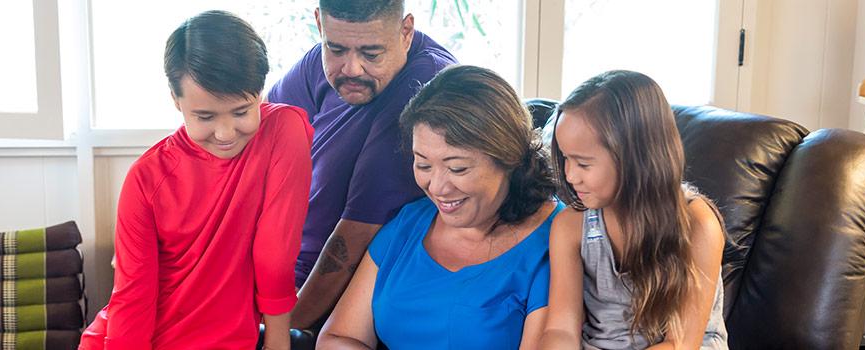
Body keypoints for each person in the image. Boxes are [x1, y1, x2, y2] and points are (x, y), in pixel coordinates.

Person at [79, 11, 312, 349]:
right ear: (176, 100)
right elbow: (132, 299)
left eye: (241, 111)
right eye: (204, 116)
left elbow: (275, 257)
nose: (226, 133)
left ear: (260, 91)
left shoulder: (282, 131)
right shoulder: (146, 180)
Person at [317, 65, 560, 349]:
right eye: (423, 164)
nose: (437, 187)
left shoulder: (555, 240)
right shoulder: (410, 223)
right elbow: (338, 338)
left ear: (510, 159)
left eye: (457, 168)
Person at [265, 0, 457, 332]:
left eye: (371, 54)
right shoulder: (322, 60)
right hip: (276, 268)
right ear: (320, 26)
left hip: (338, 298)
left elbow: (355, 236)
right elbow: (263, 142)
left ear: (405, 32)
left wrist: (281, 332)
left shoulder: (424, 87)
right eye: (336, 49)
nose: (351, 68)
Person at [540, 70, 729, 350]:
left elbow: (681, 343)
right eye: (566, 159)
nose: (570, 175)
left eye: (583, 164)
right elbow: (561, 328)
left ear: (634, 156)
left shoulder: (697, 223)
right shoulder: (570, 226)